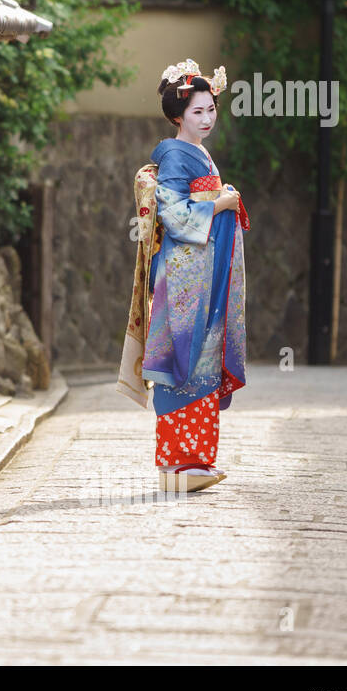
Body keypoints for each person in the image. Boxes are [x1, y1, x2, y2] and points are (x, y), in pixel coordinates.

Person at [116, 58, 250, 493]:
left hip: (200, 274)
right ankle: (176, 465)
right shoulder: (175, 155)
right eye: (197, 112)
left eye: (211, 109)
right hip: (183, 277)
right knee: (183, 362)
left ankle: (194, 461)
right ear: (178, 116)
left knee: (203, 363)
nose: (207, 118)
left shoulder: (196, 153)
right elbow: (174, 216)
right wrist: (220, 204)